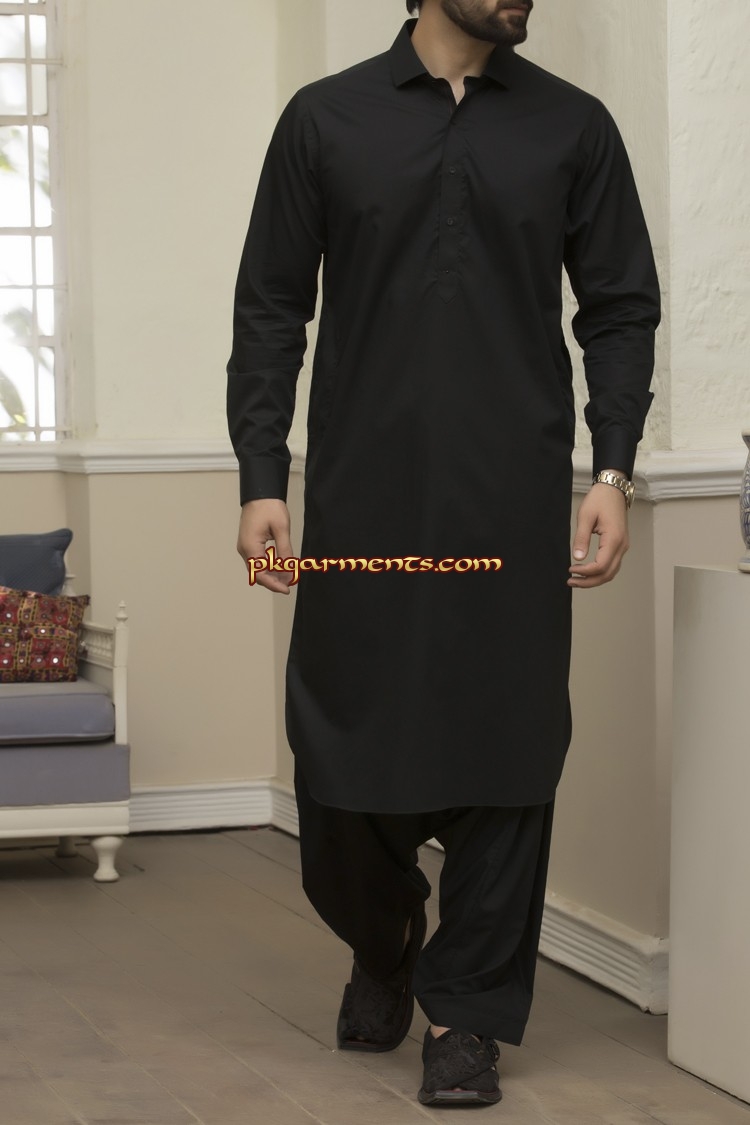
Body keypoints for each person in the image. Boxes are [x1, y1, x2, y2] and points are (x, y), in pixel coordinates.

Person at [227, 0, 660, 1107]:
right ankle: (385, 944)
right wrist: (264, 477)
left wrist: (612, 470)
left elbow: (619, 307)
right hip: (362, 504)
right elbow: (271, 307)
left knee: (509, 753)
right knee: (341, 756)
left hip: (512, 504)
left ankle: (466, 1014)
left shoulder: (575, 127)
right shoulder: (324, 120)